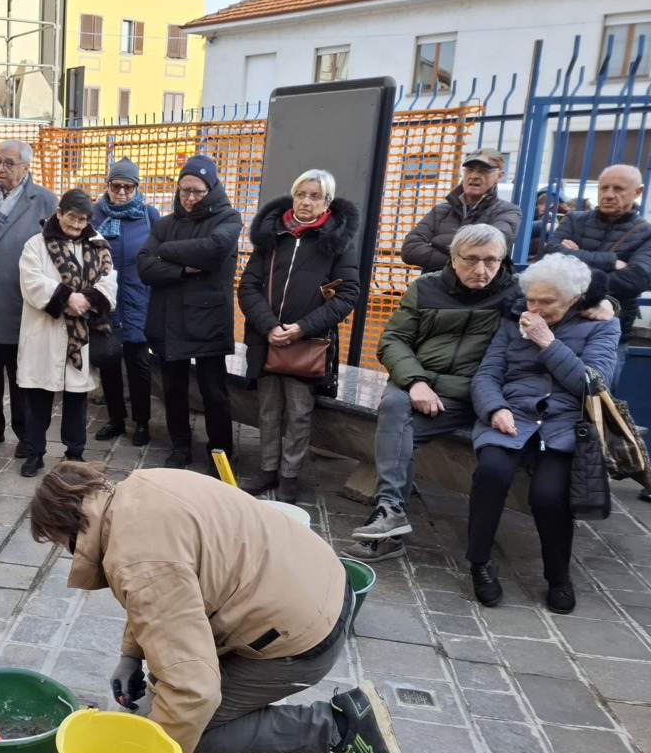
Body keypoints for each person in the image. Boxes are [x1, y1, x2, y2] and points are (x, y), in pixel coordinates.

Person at [29, 461, 407, 753]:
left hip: (304, 640)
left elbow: (194, 690)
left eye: (56, 542)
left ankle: (339, 727)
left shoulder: (137, 562)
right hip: (319, 582)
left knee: (184, 731)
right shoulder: (140, 486)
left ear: (66, 526)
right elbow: (168, 591)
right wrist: (131, 655)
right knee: (167, 692)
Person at [345, 224, 521, 562]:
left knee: (398, 431)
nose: (481, 270)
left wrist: (604, 304)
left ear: (502, 261)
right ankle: (390, 511)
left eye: (491, 261)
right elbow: (393, 340)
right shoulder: (426, 287)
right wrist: (416, 382)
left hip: (469, 395)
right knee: (395, 405)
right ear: (453, 259)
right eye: (471, 259)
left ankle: (389, 527)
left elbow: (570, 298)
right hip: (419, 384)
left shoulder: (515, 293)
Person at [466, 255, 619, 613]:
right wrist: (494, 408)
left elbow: (592, 385)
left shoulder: (600, 326)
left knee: (549, 497)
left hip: (567, 424)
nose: (534, 308)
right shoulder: (512, 319)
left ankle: (558, 576)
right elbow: (486, 375)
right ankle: (479, 563)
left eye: (546, 302)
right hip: (512, 413)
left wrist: (547, 343)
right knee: (491, 473)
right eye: (531, 299)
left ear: (575, 297)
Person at [237, 170, 361, 503]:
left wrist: (302, 327)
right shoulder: (272, 235)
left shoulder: (338, 241)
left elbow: (348, 294)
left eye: (315, 196)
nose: (306, 201)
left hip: (307, 343)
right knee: (267, 409)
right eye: (301, 194)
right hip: (266, 339)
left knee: (298, 412)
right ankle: (266, 470)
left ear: (327, 202)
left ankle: (289, 476)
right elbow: (248, 286)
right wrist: (269, 326)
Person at [136, 155, 242, 469]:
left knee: (214, 392)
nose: (190, 198)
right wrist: (183, 268)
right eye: (184, 190)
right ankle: (180, 446)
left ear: (211, 189)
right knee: (173, 389)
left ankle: (220, 453)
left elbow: (216, 250)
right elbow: (144, 266)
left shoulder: (229, 218)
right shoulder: (166, 223)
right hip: (169, 320)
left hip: (209, 321)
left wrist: (165, 251)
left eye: (197, 191)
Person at [16, 189, 118, 478]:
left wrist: (87, 300)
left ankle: (75, 453)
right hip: (44, 333)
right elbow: (31, 281)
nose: (76, 224)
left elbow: (109, 281)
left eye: (83, 219)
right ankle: (34, 452)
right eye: (71, 217)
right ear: (59, 213)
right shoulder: (36, 244)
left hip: (80, 336)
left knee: (76, 399)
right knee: (38, 397)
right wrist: (66, 298)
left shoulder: (98, 245)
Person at [0, 140, 58, 456]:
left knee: (22, 377)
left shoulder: (45, 200)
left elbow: (55, 252)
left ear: (25, 167)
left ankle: (25, 433)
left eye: (8, 163)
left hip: (22, 305)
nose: (0, 168)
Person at [543, 164, 651, 389]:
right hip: (558, 326)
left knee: (596, 403)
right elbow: (548, 256)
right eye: (604, 188)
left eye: (619, 189)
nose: (609, 195)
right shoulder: (575, 220)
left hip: (607, 334)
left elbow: (636, 279)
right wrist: (610, 261)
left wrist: (573, 258)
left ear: (638, 191)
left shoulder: (645, 233)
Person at [92, 158, 157, 447]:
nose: (121, 192)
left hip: (138, 302)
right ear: (107, 185)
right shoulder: (95, 215)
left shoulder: (148, 216)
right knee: (108, 363)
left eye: (127, 187)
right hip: (106, 303)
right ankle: (115, 419)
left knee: (139, 366)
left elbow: (160, 256)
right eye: (115, 186)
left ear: (137, 187)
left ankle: (141, 422)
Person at [401, 147, 521, 273]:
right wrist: (465, 260)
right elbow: (410, 250)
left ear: (499, 176)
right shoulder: (440, 211)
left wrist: (437, 242)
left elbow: (487, 246)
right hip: (435, 288)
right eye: (470, 170)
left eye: (484, 170)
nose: (474, 176)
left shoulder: (508, 212)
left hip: (478, 290)